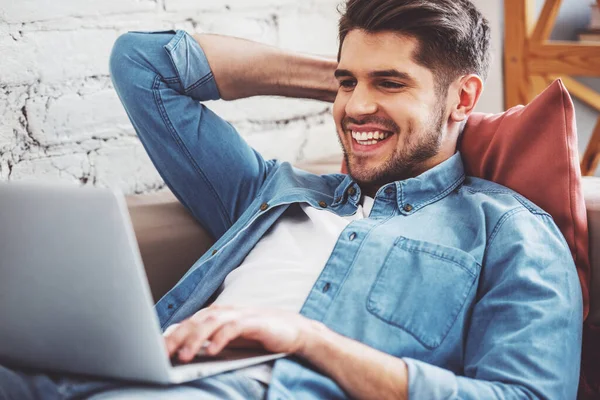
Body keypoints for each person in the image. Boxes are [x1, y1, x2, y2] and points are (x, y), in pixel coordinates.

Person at [0, 0, 583, 399]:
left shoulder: (508, 230)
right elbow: (143, 65)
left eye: (390, 81)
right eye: (347, 81)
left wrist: (310, 340)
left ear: (463, 99)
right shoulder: (270, 191)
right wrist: (363, 88)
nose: (353, 108)